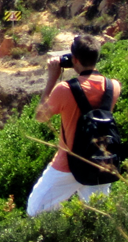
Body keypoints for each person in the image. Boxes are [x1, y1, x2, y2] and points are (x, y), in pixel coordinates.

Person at [26, 34, 120, 216]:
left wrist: (52, 78)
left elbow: (40, 116)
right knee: (97, 216)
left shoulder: (65, 89)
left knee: (35, 211)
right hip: (101, 162)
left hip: (67, 164)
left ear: (74, 59)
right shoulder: (113, 87)